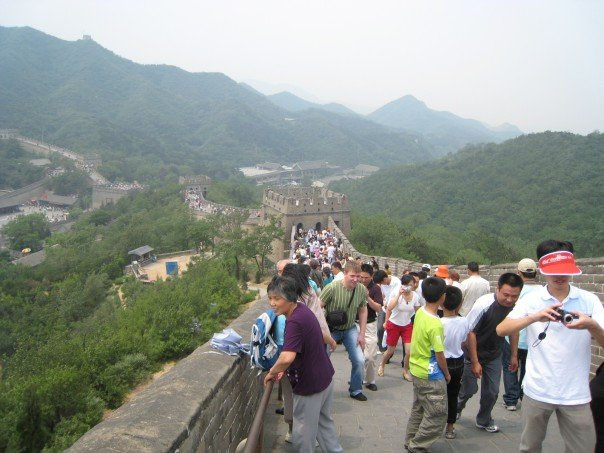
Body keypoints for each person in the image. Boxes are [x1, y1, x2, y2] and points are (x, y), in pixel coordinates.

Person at [497, 240, 604, 452]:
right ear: (542, 269)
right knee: (530, 447)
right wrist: (535, 317)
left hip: (576, 393)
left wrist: (591, 325)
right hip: (538, 390)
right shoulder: (533, 299)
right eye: (554, 271)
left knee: (583, 448)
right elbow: (502, 329)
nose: (560, 277)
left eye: (565, 271)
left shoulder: (588, 300)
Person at [264, 276, 343, 453]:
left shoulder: (294, 321)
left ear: (291, 298)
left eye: (277, 298)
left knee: (302, 435)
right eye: (270, 298)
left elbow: (286, 358)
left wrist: (272, 372)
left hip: (310, 385)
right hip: (324, 378)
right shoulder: (303, 310)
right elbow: (317, 333)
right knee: (324, 427)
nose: (272, 303)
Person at [456, 272, 523, 433]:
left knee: (492, 392)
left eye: (514, 296)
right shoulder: (484, 305)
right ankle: (454, 409)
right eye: (506, 295)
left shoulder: (516, 307)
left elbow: (514, 330)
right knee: (468, 389)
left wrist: (514, 355)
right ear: (498, 289)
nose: (509, 300)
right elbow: (470, 333)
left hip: (494, 354)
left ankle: (484, 419)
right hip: (471, 353)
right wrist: (475, 361)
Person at [405, 277, 450, 452]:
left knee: (419, 408)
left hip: (416, 369)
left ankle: (410, 440)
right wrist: (446, 374)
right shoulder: (435, 323)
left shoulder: (421, 313)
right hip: (430, 374)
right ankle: (417, 446)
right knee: (437, 415)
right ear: (442, 297)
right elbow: (439, 354)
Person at [321, 261, 369, 401]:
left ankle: (356, 389)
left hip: (350, 328)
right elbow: (318, 307)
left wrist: (362, 335)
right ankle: (322, 390)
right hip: (331, 330)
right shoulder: (332, 288)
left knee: (359, 359)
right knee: (322, 359)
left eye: (358, 276)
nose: (355, 279)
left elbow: (363, 310)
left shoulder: (360, 289)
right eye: (352, 276)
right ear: (345, 273)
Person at [501, 258, 540, 411]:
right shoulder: (543, 291)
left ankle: (511, 400)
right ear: (535, 273)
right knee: (527, 368)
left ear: (519, 273)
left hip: (513, 336)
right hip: (533, 339)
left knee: (510, 367)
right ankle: (525, 395)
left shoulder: (516, 290)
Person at [377, 275, 419, 381]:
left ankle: (405, 371)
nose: (408, 287)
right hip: (394, 324)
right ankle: (382, 364)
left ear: (414, 285)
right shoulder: (397, 293)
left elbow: (418, 312)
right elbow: (389, 308)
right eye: (406, 285)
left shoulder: (415, 296)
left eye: (410, 285)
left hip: (407, 325)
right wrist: (399, 295)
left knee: (409, 351)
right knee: (390, 350)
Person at [440, 285, 469, 440]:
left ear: (441, 303)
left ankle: (434, 426)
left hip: (441, 362)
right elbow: (464, 341)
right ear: (459, 304)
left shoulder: (438, 323)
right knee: (453, 395)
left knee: (438, 396)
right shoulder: (464, 321)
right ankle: (450, 428)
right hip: (458, 362)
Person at [359, 263, 383, 391]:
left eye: (366, 278)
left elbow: (379, 308)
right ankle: (357, 379)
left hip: (370, 324)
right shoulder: (354, 285)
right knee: (357, 356)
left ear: (372, 276)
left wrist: (367, 297)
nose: (363, 280)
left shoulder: (375, 289)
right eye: (361, 277)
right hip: (355, 324)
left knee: (370, 356)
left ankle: (370, 380)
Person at [374, 270, 402, 352]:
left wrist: (388, 304)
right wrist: (384, 303)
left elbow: (396, 296)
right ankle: (382, 348)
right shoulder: (382, 284)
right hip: (384, 308)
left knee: (389, 329)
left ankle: (389, 348)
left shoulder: (396, 282)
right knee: (380, 327)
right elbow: (383, 294)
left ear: (385, 277)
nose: (382, 284)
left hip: (393, 309)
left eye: (382, 282)